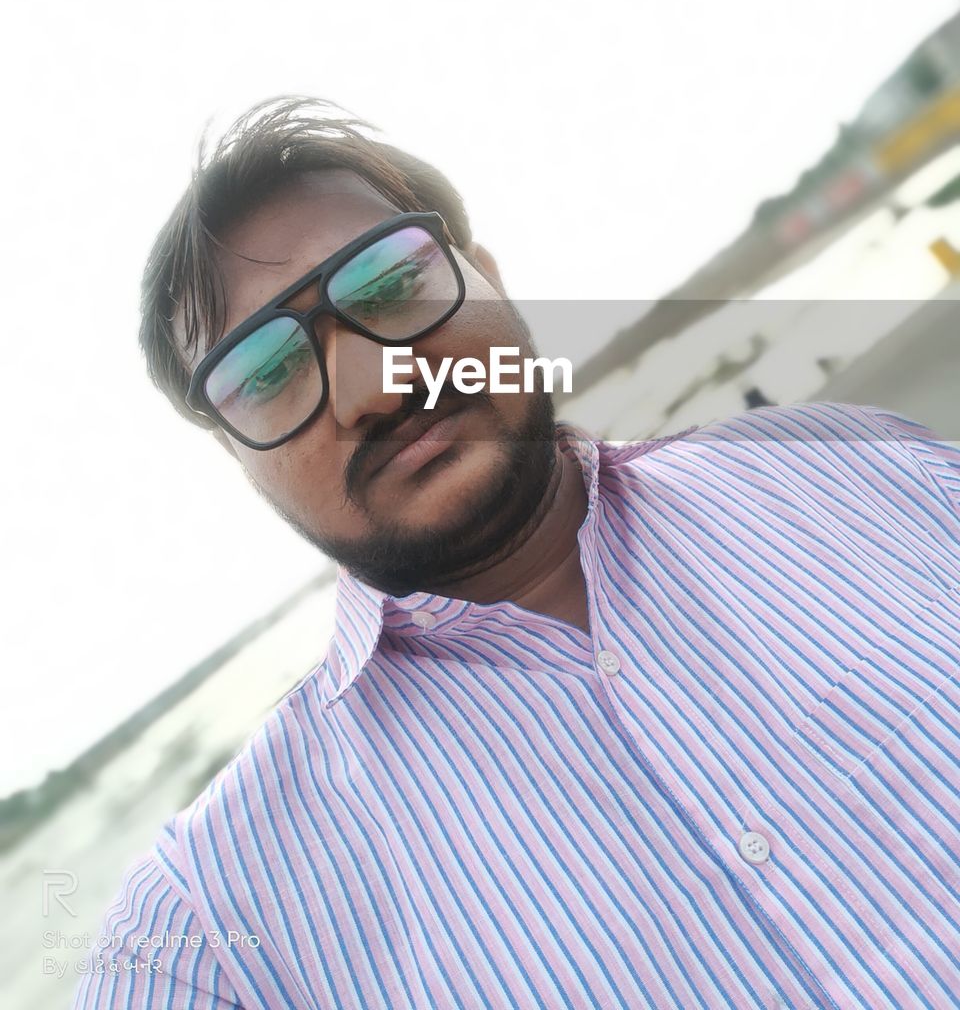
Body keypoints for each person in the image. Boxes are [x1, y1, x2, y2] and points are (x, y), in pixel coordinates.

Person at [73, 96, 960, 1009]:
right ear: (237, 453)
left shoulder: (868, 476)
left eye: (384, 282)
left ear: (485, 274)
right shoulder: (214, 933)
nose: (375, 386)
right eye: (267, 371)